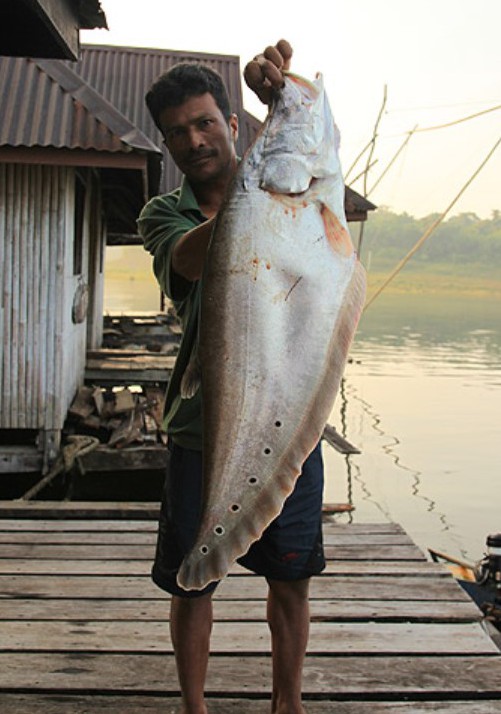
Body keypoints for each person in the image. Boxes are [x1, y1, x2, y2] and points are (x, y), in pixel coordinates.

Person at [137, 40, 325, 714]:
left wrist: (278, 95)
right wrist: (250, 209)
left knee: (292, 576)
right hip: (202, 431)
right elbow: (185, 264)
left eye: (205, 122)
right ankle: (194, 707)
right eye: (177, 132)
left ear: (232, 122)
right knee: (191, 584)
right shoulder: (165, 216)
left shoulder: (280, 184)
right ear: (167, 144)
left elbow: (307, 160)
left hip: (293, 421)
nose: (194, 140)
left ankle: (288, 703)